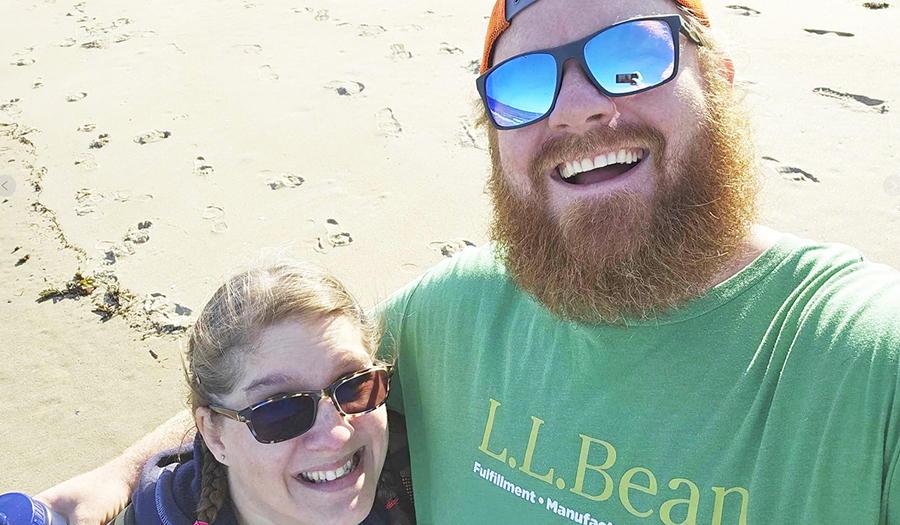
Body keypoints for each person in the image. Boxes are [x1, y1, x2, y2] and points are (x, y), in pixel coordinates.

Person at [38, 0, 900, 523]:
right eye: (524, 85)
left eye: (632, 58)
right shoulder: (458, 313)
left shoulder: (857, 358)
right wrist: (117, 474)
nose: (579, 109)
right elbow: (286, 387)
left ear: (717, 80)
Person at [107, 260, 415, 525]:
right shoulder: (159, 515)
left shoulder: (420, 472)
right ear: (214, 435)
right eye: (280, 411)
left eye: (354, 386)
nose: (337, 435)